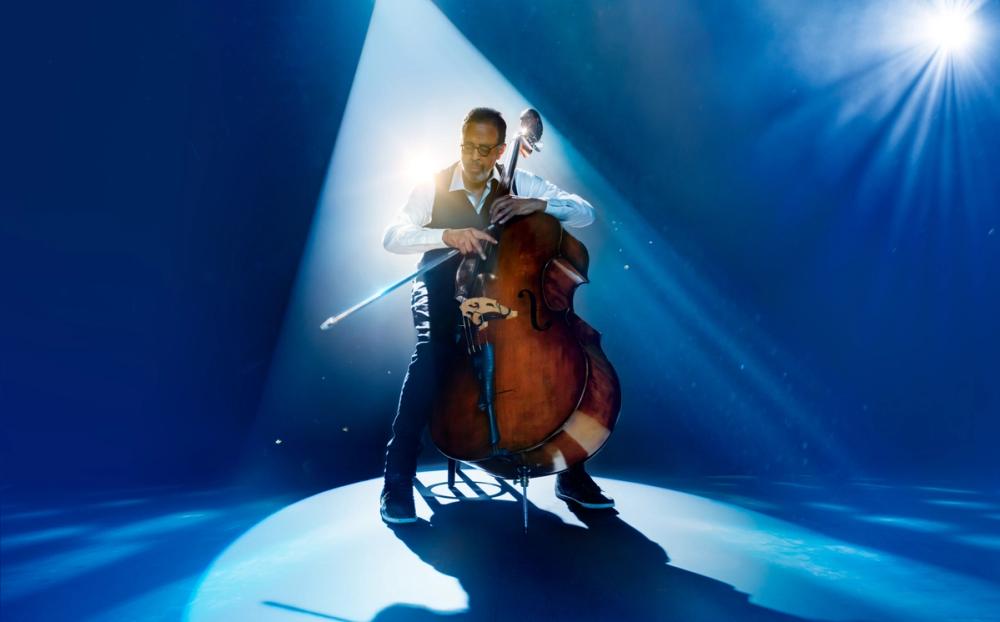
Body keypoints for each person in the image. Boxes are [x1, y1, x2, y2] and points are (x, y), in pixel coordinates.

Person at [379, 107, 614, 524]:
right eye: (469, 147)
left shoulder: (516, 181)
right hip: (440, 290)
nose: (476, 159)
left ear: (501, 149)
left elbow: (584, 211)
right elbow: (393, 236)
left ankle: (571, 471)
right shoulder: (431, 186)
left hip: (505, 295)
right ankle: (397, 477)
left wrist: (536, 204)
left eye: (486, 150)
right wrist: (445, 235)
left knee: (554, 361)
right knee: (431, 356)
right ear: (461, 143)